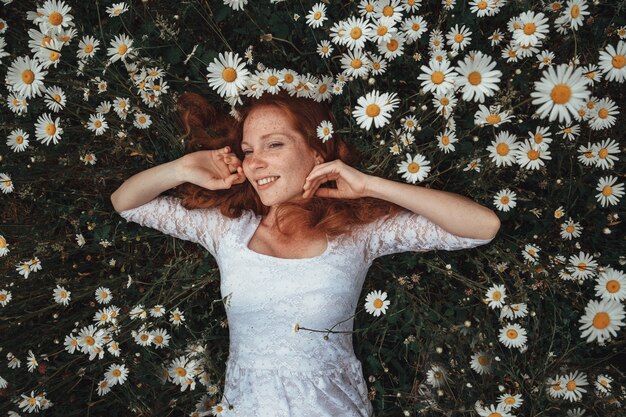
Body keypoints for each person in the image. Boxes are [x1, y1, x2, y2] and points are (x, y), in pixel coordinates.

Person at [110, 90, 500, 417]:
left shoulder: (358, 235)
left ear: (317, 153)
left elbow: (482, 227)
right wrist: (182, 168)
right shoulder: (226, 230)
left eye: (274, 144)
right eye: (247, 150)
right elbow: (126, 203)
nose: (255, 161)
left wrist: (369, 186)